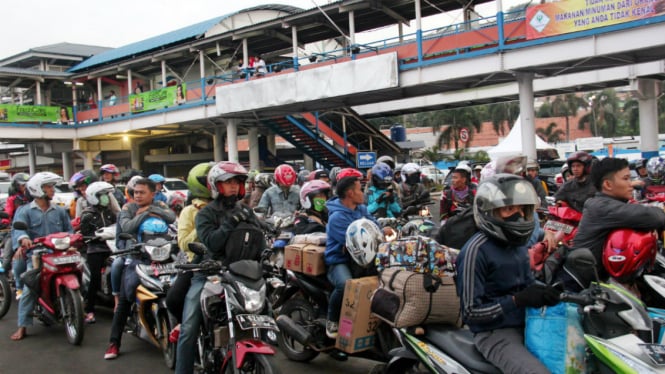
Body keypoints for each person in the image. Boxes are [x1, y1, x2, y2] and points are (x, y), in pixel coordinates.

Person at [456, 173, 560, 374]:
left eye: (522, 209)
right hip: (495, 333)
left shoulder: (517, 245)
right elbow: (470, 313)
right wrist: (515, 301)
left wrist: (548, 293)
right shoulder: (475, 251)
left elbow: (527, 285)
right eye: (509, 209)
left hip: (527, 322)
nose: (518, 216)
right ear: (490, 212)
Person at [176, 161, 265, 374]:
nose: (234, 186)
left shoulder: (245, 210)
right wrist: (229, 223)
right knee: (188, 327)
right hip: (210, 272)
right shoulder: (206, 213)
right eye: (228, 182)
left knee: (264, 310)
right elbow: (212, 243)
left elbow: (256, 240)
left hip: (242, 272)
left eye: (237, 182)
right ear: (216, 185)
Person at [104, 177, 176, 359]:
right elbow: (127, 226)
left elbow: (171, 217)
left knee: (177, 290)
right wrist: (146, 213)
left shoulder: (159, 203)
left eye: (142, 192)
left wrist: (150, 209)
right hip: (137, 258)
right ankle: (114, 343)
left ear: (153, 194)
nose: (137, 195)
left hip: (163, 257)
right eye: (135, 192)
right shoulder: (128, 208)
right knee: (125, 298)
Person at [324, 168, 394, 338]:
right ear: (350, 193)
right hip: (339, 260)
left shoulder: (361, 209)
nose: (363, 192)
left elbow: (374, 225)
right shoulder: (337, 217)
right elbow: (351, 244)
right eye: (359, 189)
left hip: (364, 258)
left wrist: (383, 230)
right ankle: (332, 320)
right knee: (345, 285)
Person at [573, 158, 665, 279]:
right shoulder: (602, 207)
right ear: (608, 184)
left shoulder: (610, 203)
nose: (631, 184)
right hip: (589, 283)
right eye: (626, 179)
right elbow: (654, 217)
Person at [11, 172, 73, 341]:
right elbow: (18, 230)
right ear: (38, 189)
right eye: (48, 187)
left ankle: (77, 309)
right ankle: (22, 326)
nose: (52, 190)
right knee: (29, 291)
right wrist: (23, 239)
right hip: (37, 256)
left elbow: (69, 230)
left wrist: (73, 239)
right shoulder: (25, 211)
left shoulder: (59, 210)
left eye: (52, 186)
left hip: (59, 254)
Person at [166, 162, 213, 344]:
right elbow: (184, 244)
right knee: (175, 299)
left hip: (227, 264)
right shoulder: (190, 211)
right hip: (198, 265)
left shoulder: (228, 206)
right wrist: (202, 222)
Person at [79, 181, 117, 324]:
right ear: (94, 196)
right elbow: (85, 236)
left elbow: (117, 228)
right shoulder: (87, 215)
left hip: (112, 248)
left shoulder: (110, 213)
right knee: (94, 278)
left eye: (107, 195)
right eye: (103, 195)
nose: (106, 197)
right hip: (96, 249)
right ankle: (89, 310)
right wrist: (98, 236)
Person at [2, 173, 30, 272]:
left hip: (32, 229)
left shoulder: (33, 198)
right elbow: (8, 212)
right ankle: (4, 282)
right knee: (7, 258)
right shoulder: (12, 199)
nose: (25, 187)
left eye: (27, 185)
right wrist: (5, 220)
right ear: (17, 186)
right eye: (23, 185)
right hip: (16, 230)